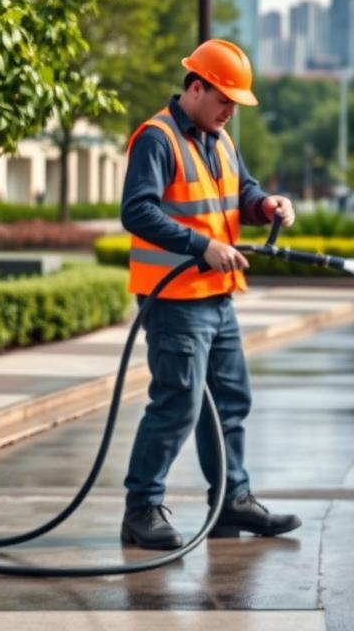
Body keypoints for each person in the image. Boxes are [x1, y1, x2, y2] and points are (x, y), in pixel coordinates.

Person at [119, 39, 301, 549]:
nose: (229, 111)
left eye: (235, 104)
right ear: (194, 88)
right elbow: (137, 211)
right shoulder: (157, 139)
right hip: (174, 299)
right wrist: (202, 245)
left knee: (231, 400)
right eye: (224, 99)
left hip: (217, 296)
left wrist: (266, 205)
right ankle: (141, 510)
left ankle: (231, 502)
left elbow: (241, 190)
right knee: (177, 402)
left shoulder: (218, 138)